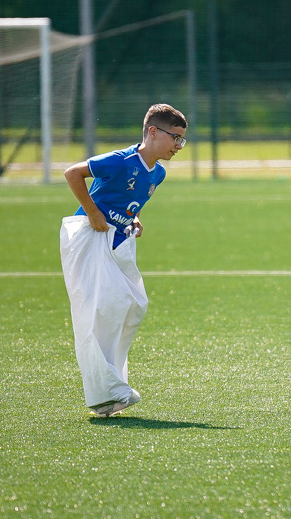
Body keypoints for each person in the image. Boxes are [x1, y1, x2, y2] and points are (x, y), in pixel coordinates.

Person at [59, 103, 187, 417]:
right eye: (175, 137)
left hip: (119, 241)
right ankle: (107, 393)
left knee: (132, 306)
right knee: (103, 310)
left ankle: (109, 389)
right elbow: (73, 173)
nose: (179, 146)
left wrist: (136, 218)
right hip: (90, 239)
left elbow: (134, 200)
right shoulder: (121, 160)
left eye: (183, 140)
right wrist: (92, 212)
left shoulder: (158, 173)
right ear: (153, 132)